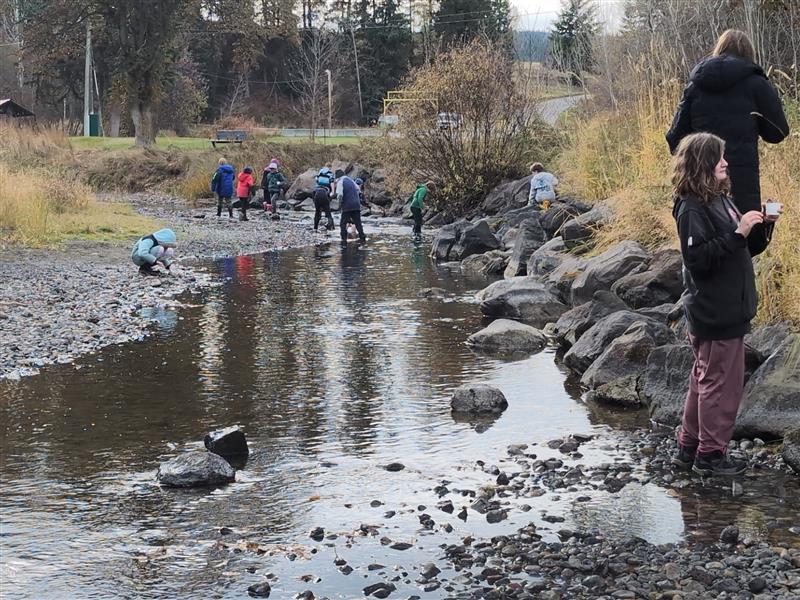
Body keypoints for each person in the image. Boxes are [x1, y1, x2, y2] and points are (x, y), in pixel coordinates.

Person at [670, 132, 779, 477]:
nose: (725, 163)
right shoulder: (691, 207)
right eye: (719, 159)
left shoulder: (718, 199)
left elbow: (742, 247)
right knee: (720, 384)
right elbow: (697, 259)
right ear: (703, 163)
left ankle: (689, 448)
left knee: (702, 379)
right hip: (715, 310)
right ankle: (711, 455)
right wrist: (738, 233)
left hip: (725, 307)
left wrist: (762, 226)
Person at [666, 29, 789, 226]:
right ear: (749, 53)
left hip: (700, 179)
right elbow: (778, 132)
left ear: (719, 49)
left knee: (705, 239)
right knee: (745, 234)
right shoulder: (757, 83)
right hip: (742, 178)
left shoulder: (695, 86)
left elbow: (675, 140)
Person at [336, 168, 366, 244]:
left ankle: (343, 240)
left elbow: (340, 195)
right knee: (358, 223)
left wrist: (339, 205)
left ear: (337, 177)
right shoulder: (351, 180)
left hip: (347, 205)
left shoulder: (340, 181)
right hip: (356, 204)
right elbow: (358, 190)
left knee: (343, 223)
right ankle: (362, 239)